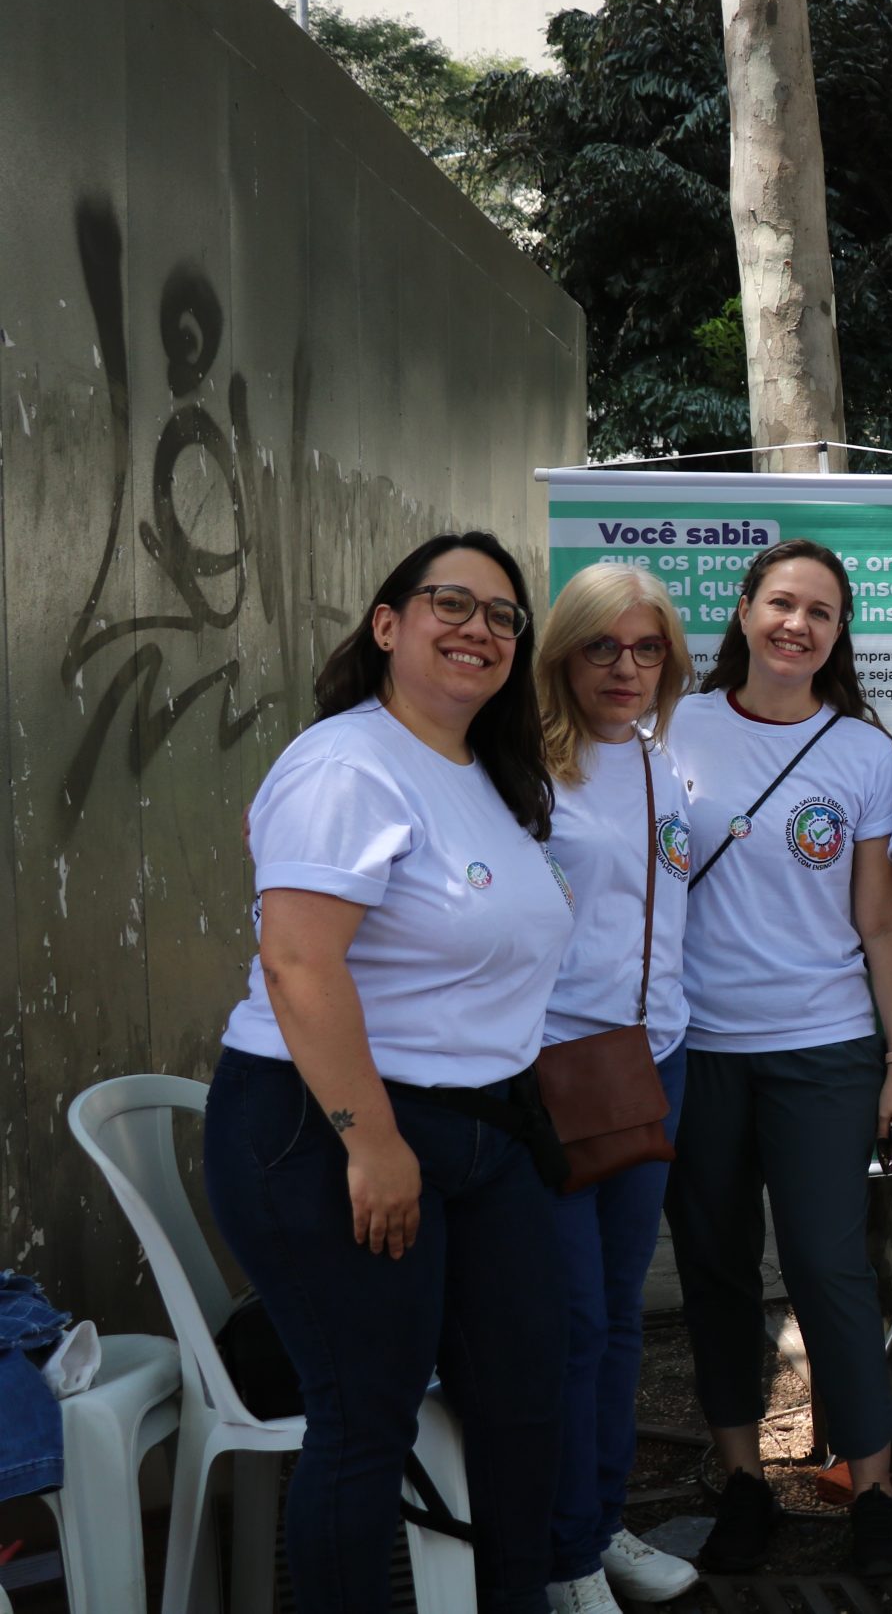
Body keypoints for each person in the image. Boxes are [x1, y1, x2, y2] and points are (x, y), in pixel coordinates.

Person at [203, 532, 572, 1613]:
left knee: (522, 1401)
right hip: (332, 1125)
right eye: (450, 603)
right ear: (387, 624)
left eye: (502, 616)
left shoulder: (485, 770)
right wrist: (370, 1142)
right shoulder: (346, 763)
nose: (478, 629)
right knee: (367, 1417)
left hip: (484, 1132)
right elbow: (298, 962)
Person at [663, 540, 892, 1579]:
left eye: (820, 612)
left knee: (828, 1266)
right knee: (714, 1266)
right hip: (697, 1048)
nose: (797, 625)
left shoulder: (862, 752)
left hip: (824, 1047)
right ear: (744, 609)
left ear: (839, 632)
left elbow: (881, 922)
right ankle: (743, 1481)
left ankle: (874, 1488)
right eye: (781, 603)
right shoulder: (674, 724)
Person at [532, 564, 699, 1611]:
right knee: (572, 1321)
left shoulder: (659, 763)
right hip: (552, 1067)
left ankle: (598, 1525)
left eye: (645, 648)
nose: (625, 667)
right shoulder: (521, 767)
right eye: (602, 646)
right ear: (564, 654)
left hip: (652, 1059)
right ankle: (561, 1553)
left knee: (623, 1316)